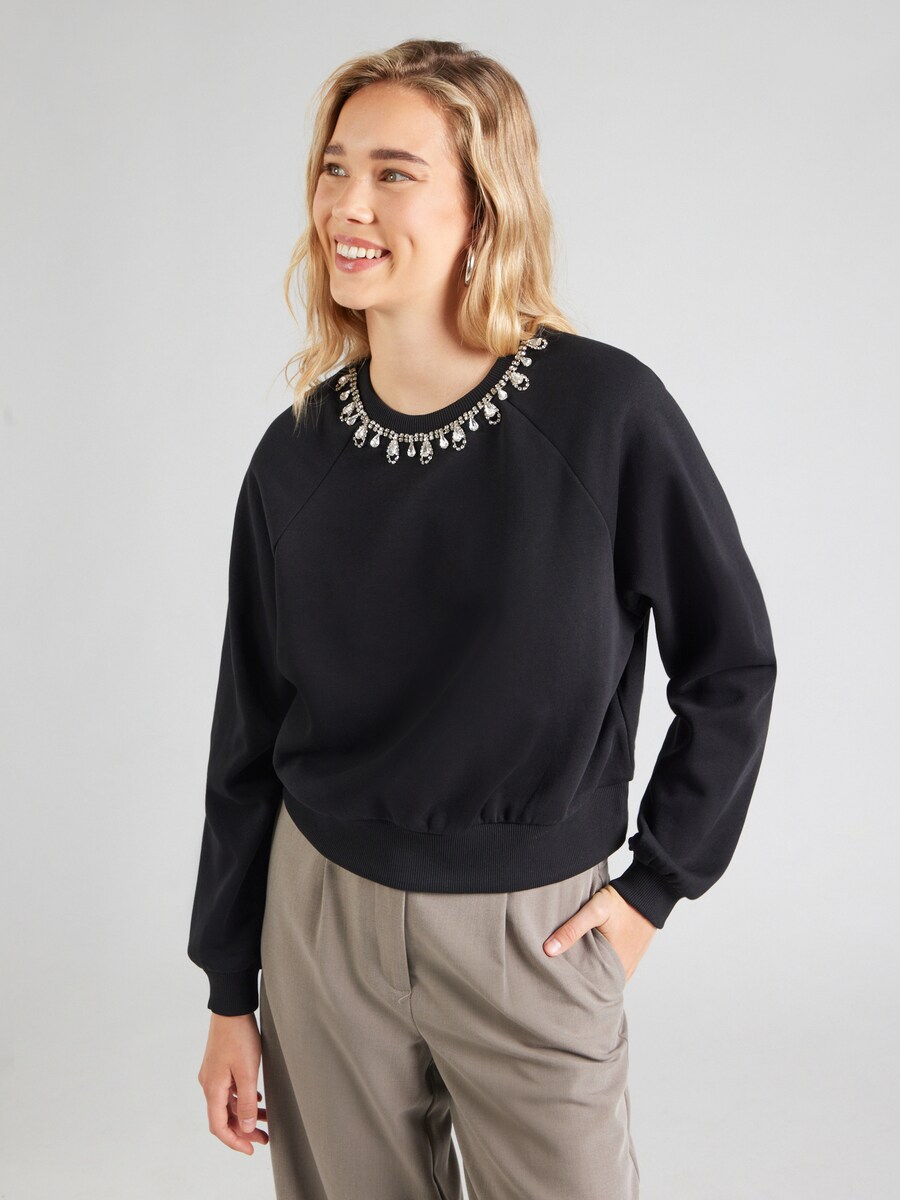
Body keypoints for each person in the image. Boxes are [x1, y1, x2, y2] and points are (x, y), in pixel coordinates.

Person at [187, 38, 777, 1200]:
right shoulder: (294, 456)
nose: (348, 205)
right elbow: (246, 735)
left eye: (394, 173)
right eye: (335, 167)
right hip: (317, 927)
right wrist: (227, 990)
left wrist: (654, 888)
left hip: (531, 933)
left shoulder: (603, 414)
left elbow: (733, 666)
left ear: (483, 205)